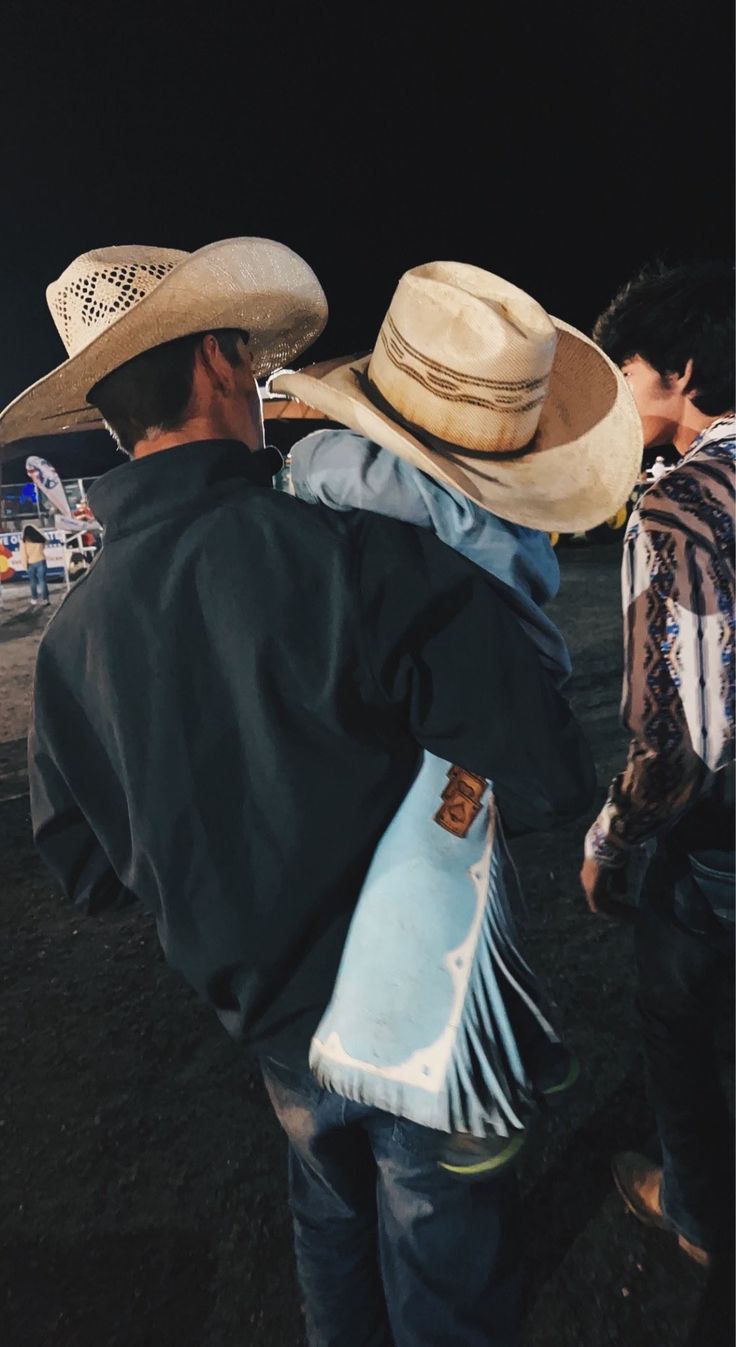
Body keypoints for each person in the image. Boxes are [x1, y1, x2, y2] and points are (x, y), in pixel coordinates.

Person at [0, 242, 629, 1347]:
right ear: (216, 362)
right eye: (247, 353)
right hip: (410, 1008)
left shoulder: (72, 639)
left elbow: (88, 868)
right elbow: (537, 770)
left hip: (265, 1018)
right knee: (438, 1233)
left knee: (327, 1212)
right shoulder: (346, 556)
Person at [579, 259, 735, 1271]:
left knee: (671, 1012)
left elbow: (681, 739)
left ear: (679, 372)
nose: (615, 395)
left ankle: (699, 1214)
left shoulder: (677, 505)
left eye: (623, 371)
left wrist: (609, 841)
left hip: (723, 840)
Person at [18, 523, 50, 605]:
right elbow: (45, 543)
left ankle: (34, 598)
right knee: (42, 581)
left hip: (30, 563)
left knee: (33, 582)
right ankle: (45, 599)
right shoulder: (39, 539)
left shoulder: (24, 541)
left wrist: (25, 566)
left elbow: (23, 554)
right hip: (41, 561)